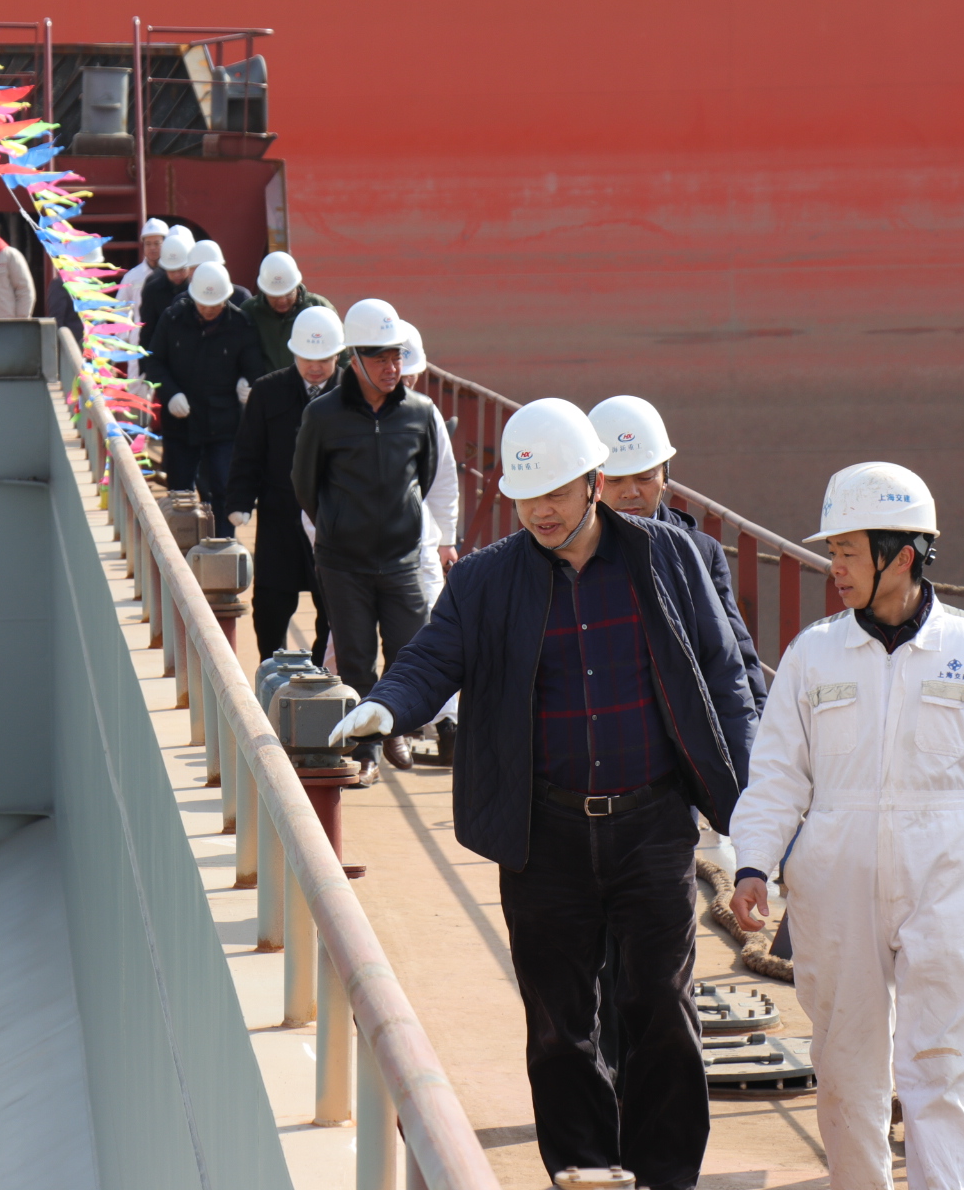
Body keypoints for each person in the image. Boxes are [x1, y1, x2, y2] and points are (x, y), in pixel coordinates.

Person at [328, 396, 759, 1188]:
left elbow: (725, 680)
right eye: (526, 497)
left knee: (660, 1009)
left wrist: (751, 816)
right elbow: (433, 657)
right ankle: (584, 1172)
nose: (540, 512)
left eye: (556, 493)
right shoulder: (486, 581)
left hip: (652, 826)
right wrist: (385, 705)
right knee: (560, 1025)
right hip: (544, 837)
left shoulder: (669, 558)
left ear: (594, 482)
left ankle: (665, 1176)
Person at [728, 462, 964, 1190]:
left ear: (901, 556)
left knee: (942, 1067)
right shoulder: (814, 655)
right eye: (833, 551)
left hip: (947, 877)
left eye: (848, 552)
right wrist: (752, 863)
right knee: (846, 1066)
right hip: (834, 878)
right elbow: (777, 773)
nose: (835, 568)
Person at [291, 299, 444, 775]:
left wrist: (401, 522)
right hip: (344, 563)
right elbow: (305, 484)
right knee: (356, 658)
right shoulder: (322, 415)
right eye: (380, 358)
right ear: (354, 359)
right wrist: (339, 525)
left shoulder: (419, 413)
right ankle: (367, 749)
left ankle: (394, 728)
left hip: (402, 559)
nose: (392, 367)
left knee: (409, 649)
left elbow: (425, 476)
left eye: (396, 356)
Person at [589, 395, 766, 710]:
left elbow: (735, 653)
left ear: (665, 476)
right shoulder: (571, 553)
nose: (631, 492)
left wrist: (759, 726)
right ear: (593, 483)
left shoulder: (700, 552)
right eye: (615, 480)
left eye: (645, 477)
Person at [224, 307, 343, 667]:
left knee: (335, 609)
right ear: (294, 353)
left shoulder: (354, 395)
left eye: (324, 359)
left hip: (335, 523)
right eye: (308, 358)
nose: (316, 368)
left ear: (339, 355)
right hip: (280, 517)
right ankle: (272, 675)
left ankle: (322, 677)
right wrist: (239, 500)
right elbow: (248, 452)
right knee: (271, 608)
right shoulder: (267, 392)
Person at [143, 261, 266, 502]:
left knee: (223, 489)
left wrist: (247, 383)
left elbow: (255, 368)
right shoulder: (172, 320)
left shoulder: (241, 326)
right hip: (181, 423)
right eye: (203, 304)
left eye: (215, 304)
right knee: (180, 494)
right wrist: (171, 393)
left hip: (223, 424)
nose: (209, 310)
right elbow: (154, 362)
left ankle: (222, 528)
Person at [397, 321, 460, 766]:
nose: (405, 381)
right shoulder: (342, 412)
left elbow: (443, 481)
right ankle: (356, 730)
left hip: (420, 546)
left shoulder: (426, 414)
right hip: (359, 551)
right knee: (350, 642)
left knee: (439, 631)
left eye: (410, 374)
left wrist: (447, 539)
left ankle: (448, 726)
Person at [242, 251, 333, 372]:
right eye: (275, 296)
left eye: (289, 294)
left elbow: (341, 354)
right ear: (264, 291)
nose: (282, 301)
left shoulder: (319, 308)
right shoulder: (249, 311)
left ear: (297, 287)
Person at [115, 216, 170, 310]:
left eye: (157, 243)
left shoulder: (173, 274)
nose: (152, 248)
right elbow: (120, 310)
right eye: (148, 244)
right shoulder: (131, 277)